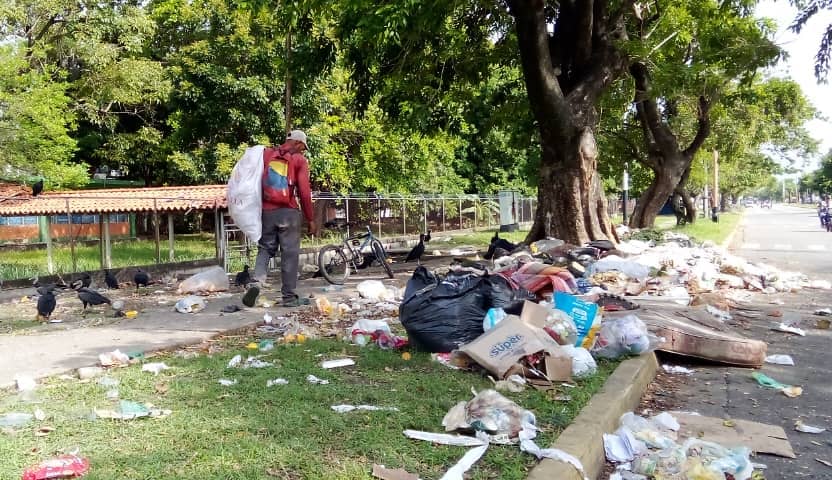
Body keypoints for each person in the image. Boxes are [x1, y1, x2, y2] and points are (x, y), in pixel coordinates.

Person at [250, 129, 317, 307]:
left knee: (265, 248)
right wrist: (310, 218)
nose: (303, 151)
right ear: (297, 143)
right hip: (288, 212)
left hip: (267, 211)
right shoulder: (299, 160)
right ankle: (289, 297)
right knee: (290, 254)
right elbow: (303, 191)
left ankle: (257, 281)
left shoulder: (266, 155)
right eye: (303, 147)